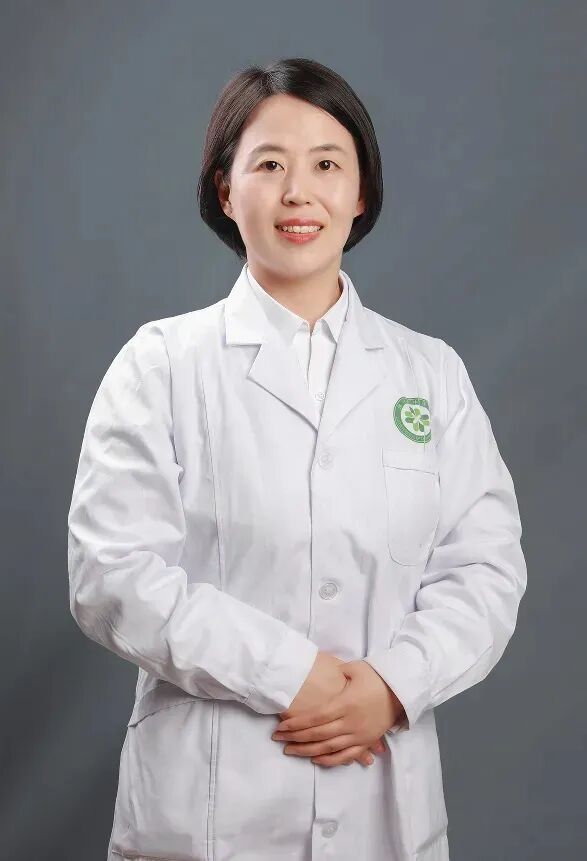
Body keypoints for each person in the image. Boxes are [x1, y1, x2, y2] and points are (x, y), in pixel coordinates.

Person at [67, 57, 527, 861]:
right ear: (224, 191)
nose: (297, 193)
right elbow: (112, 574)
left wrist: (391, 685)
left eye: (325, 165)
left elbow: (484, 571)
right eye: (269, 165)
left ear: (361, 191)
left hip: (382, 799)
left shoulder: (429, 373)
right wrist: (293, 674)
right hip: (206, 808)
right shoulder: (161, 364)